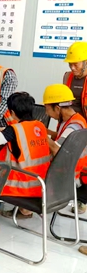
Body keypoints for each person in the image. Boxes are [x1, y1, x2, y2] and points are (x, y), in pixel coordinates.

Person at [0, 92, 51, 220]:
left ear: (12, 112)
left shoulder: (14, 130)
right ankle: (24, 211)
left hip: (22, 185)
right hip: (41, 182)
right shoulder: (40, 126)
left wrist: (6, 132)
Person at [43, 84, 87, 216]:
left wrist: (40, 134)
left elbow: (57, 150)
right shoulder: (75, 120)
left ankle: (26, 209)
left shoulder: (73, 126)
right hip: (75, 170)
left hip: (68, 176)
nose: (46, 113)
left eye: (47, 109)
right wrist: (46, 131)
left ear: (57, 108)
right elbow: (63, 139)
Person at [63, 41, 87, 119]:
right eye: (70, 64)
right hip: (70, 122)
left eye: (76, 64)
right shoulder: (67, 77)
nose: (72, 68)